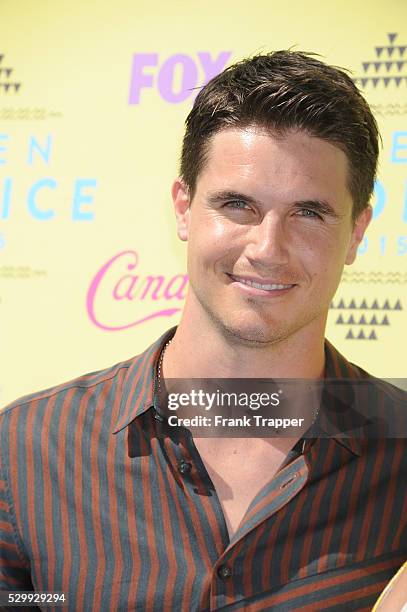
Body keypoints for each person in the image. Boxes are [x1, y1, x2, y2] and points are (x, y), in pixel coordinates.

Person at [0, 50, 406, 611]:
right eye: (237, 205)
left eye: (309, 213)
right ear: (185, 208)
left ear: (358, 232)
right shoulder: (23, 451)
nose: (267, 250)